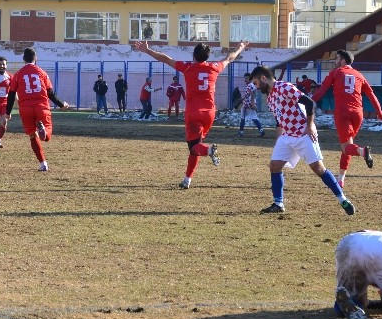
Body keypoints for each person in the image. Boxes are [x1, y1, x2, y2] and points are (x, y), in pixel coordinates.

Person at [132, 39, 248, 189]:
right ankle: (187, 179)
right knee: (195, 148)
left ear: (194, 55)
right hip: (210, 113)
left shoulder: (188, 68)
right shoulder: (215, 67)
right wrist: (240, 48)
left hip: (193, 113)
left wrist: (147, 50)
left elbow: (166, 59)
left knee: (195, 148)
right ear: (207, 56)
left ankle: (209, 150)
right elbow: (229, 58)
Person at [249, 66, 355, 216]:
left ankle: (342, 199)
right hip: (286, 137)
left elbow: (309, 102)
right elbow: (279, 121)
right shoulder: (270, 97)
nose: (256, 86)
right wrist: (278, 140)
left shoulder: (284, 87)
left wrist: (310, 125)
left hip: (303, 134)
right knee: (274, 166)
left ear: (264, 78)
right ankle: (278, 203)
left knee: (319, 169)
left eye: (256, 82)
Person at [311, 49, 382, 188]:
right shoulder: (359, 75)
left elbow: (322, 90)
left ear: (343, 61)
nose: (335, 61)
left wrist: (310, 101)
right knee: (348, 145)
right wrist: (380, 112)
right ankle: (341, 179)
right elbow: (371, 95)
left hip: (342, 113)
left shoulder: (336, 72)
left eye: (337, 58)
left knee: (347, 147)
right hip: (358, 113)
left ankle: (363, 151)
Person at [5, 47, 70, 172]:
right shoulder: (41, 72)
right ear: (36, 59)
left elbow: (12, 94)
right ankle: (44, 132)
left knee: (32, 135)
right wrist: (61, 104)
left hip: (25, 108)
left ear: (23, 59)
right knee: (47, 135)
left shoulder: (18, 74)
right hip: (41, 106)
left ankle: (43, 163)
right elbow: (50, 93)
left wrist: (7, 113)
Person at [238, 72, 265, 137]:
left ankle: (241, 132)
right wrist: (243, 99)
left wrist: (252, 104)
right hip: (249, 103)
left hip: (248, 104)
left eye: (246, 78)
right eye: (245, 78)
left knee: (243, 117)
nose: (245, 80)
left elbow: (252, 94)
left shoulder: (250, 85)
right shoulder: (251, 85)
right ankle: (261, 130)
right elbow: (249, 95)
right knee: (253, 117)